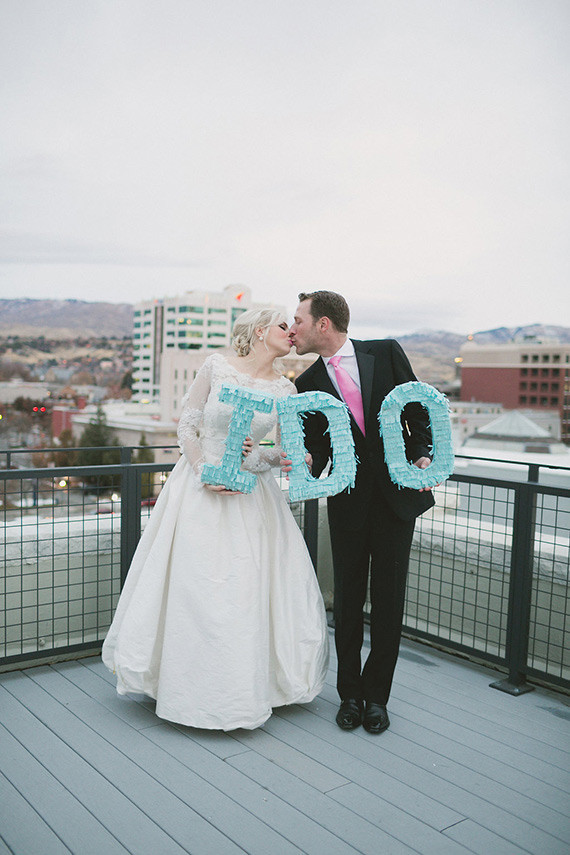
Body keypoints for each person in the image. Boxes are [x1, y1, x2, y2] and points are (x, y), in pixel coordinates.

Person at [102, 308, 329, 731]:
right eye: (284, 325)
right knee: (196, 587)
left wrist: (284, 458)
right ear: (260, 331)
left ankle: (243, 689)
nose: (292, 332)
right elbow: (187, 427)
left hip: (252, 499)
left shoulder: (286, 387)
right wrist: (204, 470)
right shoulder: (216, 367)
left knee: (244, 590)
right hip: (198, 490)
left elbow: (273, 452)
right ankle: (183, 687)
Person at [288, 291, 434, 734]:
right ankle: (349, 695)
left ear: (324, 324)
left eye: (298, 320)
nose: (293, 329)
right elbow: (317, 448)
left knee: (389, 602)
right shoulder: (307, 383)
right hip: (347, 502)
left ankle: (378, 699)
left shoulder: (385, 353)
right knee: (348, 603)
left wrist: (423, 455)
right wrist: (305, 459)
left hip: (396, 499)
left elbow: (418, 409)